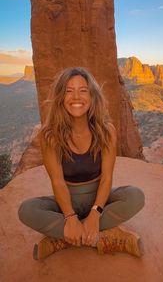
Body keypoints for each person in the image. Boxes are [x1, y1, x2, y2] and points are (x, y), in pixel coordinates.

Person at [18, 67, 145, 260]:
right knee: (26, 210)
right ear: (61, 97)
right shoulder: (50, 135)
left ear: (92, 96)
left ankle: (64, 237)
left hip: (99, 199)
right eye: (69, 91)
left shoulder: (106, 131)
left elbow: (106, 179)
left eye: (83, 90)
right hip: (66, 201)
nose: (76, 97)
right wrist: (69, 216)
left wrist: (95, 213)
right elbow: (58, 182)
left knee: (135, 196)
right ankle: (100, 238)